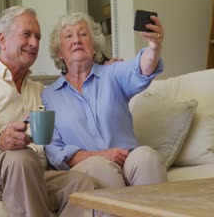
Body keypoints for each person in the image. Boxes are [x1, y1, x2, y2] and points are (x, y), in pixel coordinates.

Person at [0, 6, 95, 217]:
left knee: (80, 183)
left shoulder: (39, 91)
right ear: (2, 40)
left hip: (34, 172)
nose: (34, 43)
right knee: (20, 158)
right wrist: (0, 141)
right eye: (26, 35)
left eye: (37, 36)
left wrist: (104, 68)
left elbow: (78, 101)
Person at [42, 12, 168, 189]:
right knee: (99, 168)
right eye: (69, 36)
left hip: (128, 158)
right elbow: (54, 150)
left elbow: (141, 68)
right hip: (90, 165)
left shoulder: (112, 73)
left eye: (83, 34)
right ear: (59, 52)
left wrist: (154, 46)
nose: (77, 40)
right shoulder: (49, 96)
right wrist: (100, 155)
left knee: (147, 156)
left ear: (94, 47)